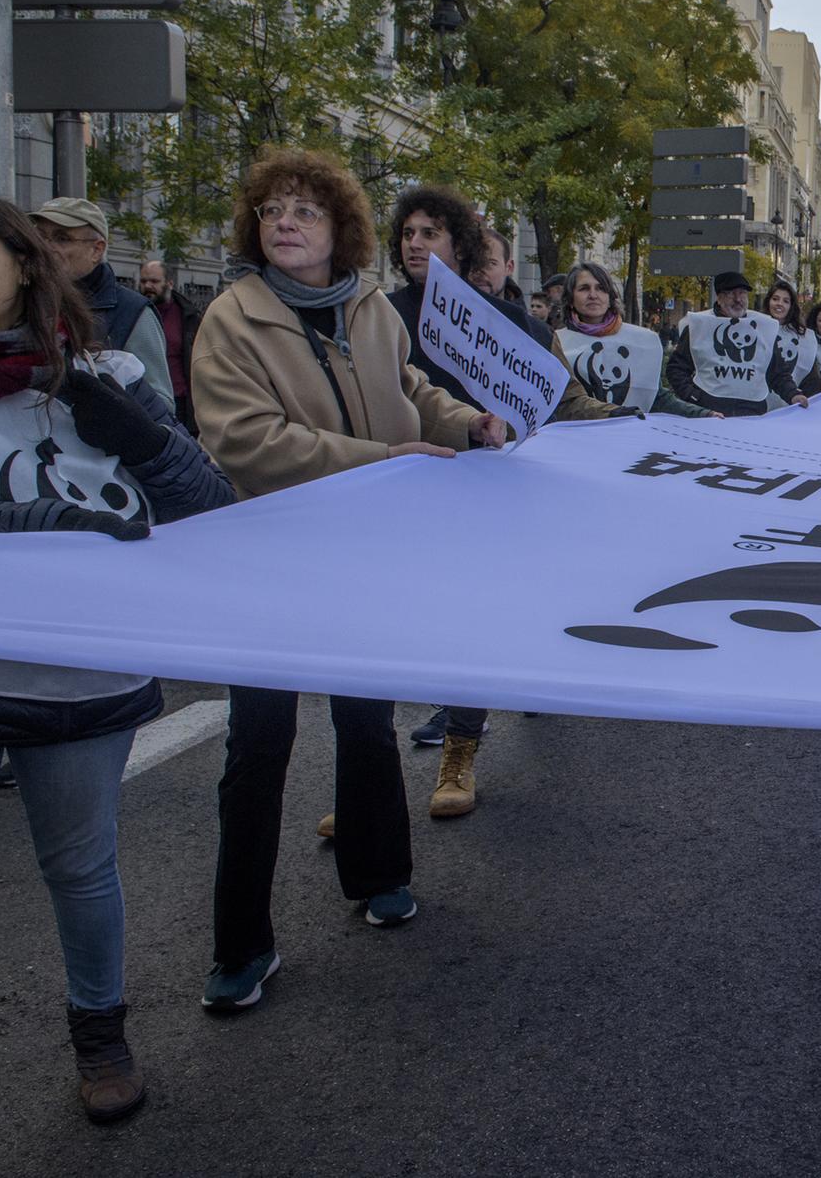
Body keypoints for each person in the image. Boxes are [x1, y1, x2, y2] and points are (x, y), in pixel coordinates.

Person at [189, 148, 504, 1011]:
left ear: (339, 229)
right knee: (258, 749)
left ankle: (380, 876)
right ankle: (242, 946)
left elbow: (409, 392)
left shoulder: (370, 311)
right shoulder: (231, 318)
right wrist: (382, 459)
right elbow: (244, 441)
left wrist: (469, 420)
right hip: (270, 568)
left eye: (304, 210)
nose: (283, 222)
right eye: (270, 212)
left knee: (366, 723)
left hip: (364, 561)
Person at [0, 194, 233, 1123]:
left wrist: (136, 437)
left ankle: (101, 1035)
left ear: (23, 264)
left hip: (76, 679)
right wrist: (53, 523)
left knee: (80, 869)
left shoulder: (110, 369)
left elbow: (204, 502)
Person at [383, 188, 634, 803]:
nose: (417, 244)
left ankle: (458, 761)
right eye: (408, 233)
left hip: (489, 504)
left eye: (432, 234)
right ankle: (368, 784)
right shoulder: (379, 316)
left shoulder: (522, 330)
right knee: (384, 635)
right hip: (398, 498)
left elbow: (566, 403)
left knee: (470, 624)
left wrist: (641, 422)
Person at [30, 198, 173, 406]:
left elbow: (161, 405)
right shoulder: (19, 302)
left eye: (62, 238)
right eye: (40, 237)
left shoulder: (132, 312)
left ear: (97, 250)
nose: (45, 248)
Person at [558, 261, 718, 417]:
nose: (593, 295)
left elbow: (655, 398)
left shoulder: (641, 341)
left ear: (610, 297)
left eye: (601, 288)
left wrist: (703, 414)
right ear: (571, 298)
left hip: (627, 436)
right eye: (584, 288)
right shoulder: (556, 342)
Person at [667, 270, 808, 416]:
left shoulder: (762, 328)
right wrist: (694, 397)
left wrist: (793, 395)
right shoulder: (700, 326)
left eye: (742, 293)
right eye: (731, 294)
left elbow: (778, 373)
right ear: (719, 298)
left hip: (751, 415)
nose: (738, 299)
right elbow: (676, 368)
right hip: (709, 415)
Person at [140, 260, 202, 432]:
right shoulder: (134, 313)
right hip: (145, 400)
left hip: (181, 401)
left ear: (170, 283)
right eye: (144, 281)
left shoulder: (188, 317)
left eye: (154, 281)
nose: (148, 286)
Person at [763, 280, 821, 404]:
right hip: (757, 405)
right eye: (775, 299)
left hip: (788, 406)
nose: (779, 304)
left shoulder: (804, 337)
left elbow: (808, 378)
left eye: (786, 301)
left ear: (791, 306)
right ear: (768, 301)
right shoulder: (755, 329)